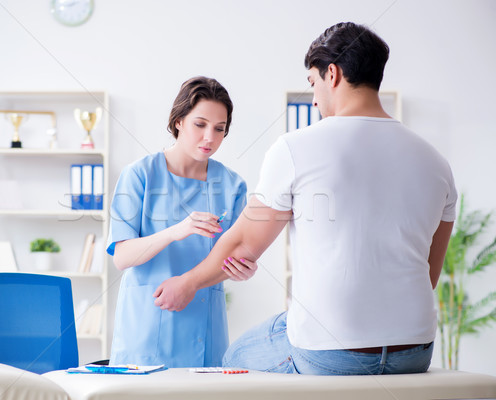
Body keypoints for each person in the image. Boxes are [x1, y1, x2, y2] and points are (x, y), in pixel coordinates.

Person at [152, 22, 457, 375]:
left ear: (332, 74)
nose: (313, 99)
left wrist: (186, 283)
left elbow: (241, 248)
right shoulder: (436, 162)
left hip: (331, 352)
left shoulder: (297, 146)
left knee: (235, 359)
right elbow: (427, 274)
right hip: (415, 350)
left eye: (313, 84)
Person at [106, 76, 257, 368]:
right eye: (200, 125)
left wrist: (240, 268)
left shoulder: (232, 185)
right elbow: (122, 257)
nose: (209, 138)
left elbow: (231, 257)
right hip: (146, 329)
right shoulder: (139, 175)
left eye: (219, 129)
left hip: (204, 331)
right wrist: (177, 230)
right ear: (178, 121)